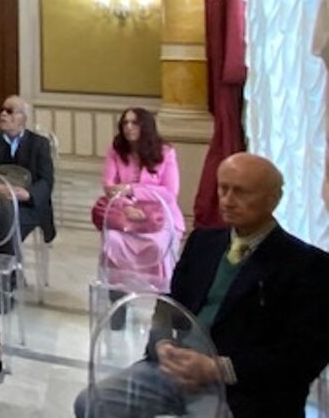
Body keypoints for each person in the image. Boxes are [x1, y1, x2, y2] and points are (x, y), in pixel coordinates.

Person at [74, 153, 329, 418]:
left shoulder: (307, 265)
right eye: (223, 189)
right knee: (92, 403)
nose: (227, 200)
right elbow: (169, 306)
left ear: (273, 199)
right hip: (175, 370)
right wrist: (162, 344)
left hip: (245, 390)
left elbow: (302, 357)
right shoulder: (203, 242)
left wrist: (218, 368)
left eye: (240, 192)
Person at [100, 108, 184, 283]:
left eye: (134, 123)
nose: (129, 127)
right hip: (126, 216)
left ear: (145, 126)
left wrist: (131, 189)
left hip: (160, 217)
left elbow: (170, 193)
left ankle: (160, 292)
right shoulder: (115, 151)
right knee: (113, 241)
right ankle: (119, 293)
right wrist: (126, 206)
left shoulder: (165, 152)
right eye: (125, 123)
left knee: (157, 245)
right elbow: (109, 187)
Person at [0, 95, 55, 244]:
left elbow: (46, 180)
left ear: (23, 118)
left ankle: (8, 258)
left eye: (9, 111)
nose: (3, 114)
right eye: (2, 110)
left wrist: (28, 195)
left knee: (10, 224)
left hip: (28, 205)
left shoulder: (40, 144)